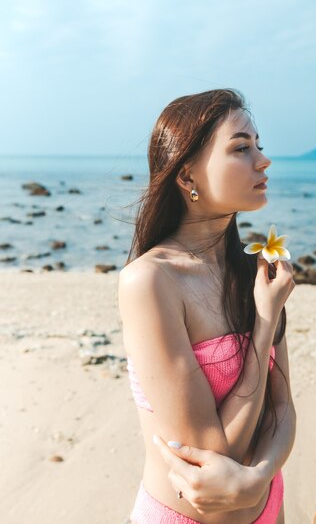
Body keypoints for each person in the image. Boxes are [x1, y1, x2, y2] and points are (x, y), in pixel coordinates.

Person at [118, 89, 296, 524]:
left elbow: (283, 408)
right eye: (240, 148)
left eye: (259, 145)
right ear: (187, 176)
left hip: (271, 508)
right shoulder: (151, 281)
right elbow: (214, 454)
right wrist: (265, 320)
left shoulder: (254, 271)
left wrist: (261, 477)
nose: (262, 160)